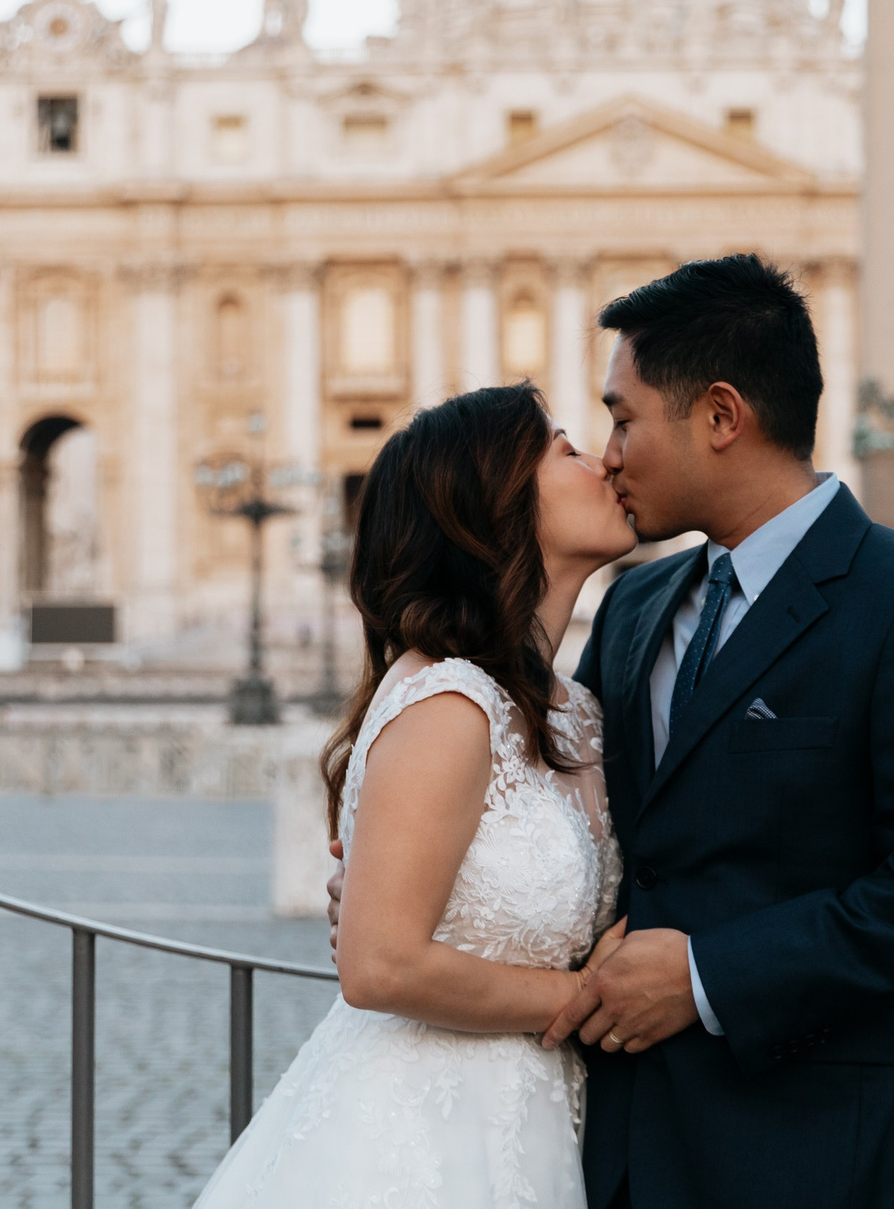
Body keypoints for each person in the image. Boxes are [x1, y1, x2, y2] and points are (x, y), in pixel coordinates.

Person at [548, 253, 894, 1207]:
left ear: (721, 416)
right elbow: (579, 821)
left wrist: (705, 975)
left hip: (823, 1153)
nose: (608, 453)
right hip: (623, 1149)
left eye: (622, 416)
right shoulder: (634, 604)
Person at [192, 383, 636, 1208]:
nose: (605, 459)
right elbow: (378, 962)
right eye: (566, 450)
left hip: (540, 1119)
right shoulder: (447, 703)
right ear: (494, 504)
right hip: (419, 1136)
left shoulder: (576, 710)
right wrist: (588, 997)